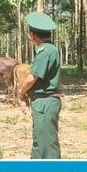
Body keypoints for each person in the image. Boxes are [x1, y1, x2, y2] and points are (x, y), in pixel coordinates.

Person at [17, 11, 62, 159]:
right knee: (40, 141)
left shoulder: (46, 51)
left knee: (46, 145)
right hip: (43, 101)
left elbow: (31, 78)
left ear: (32, 35)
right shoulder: (49, 50)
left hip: (45, 101)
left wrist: (20, 92)